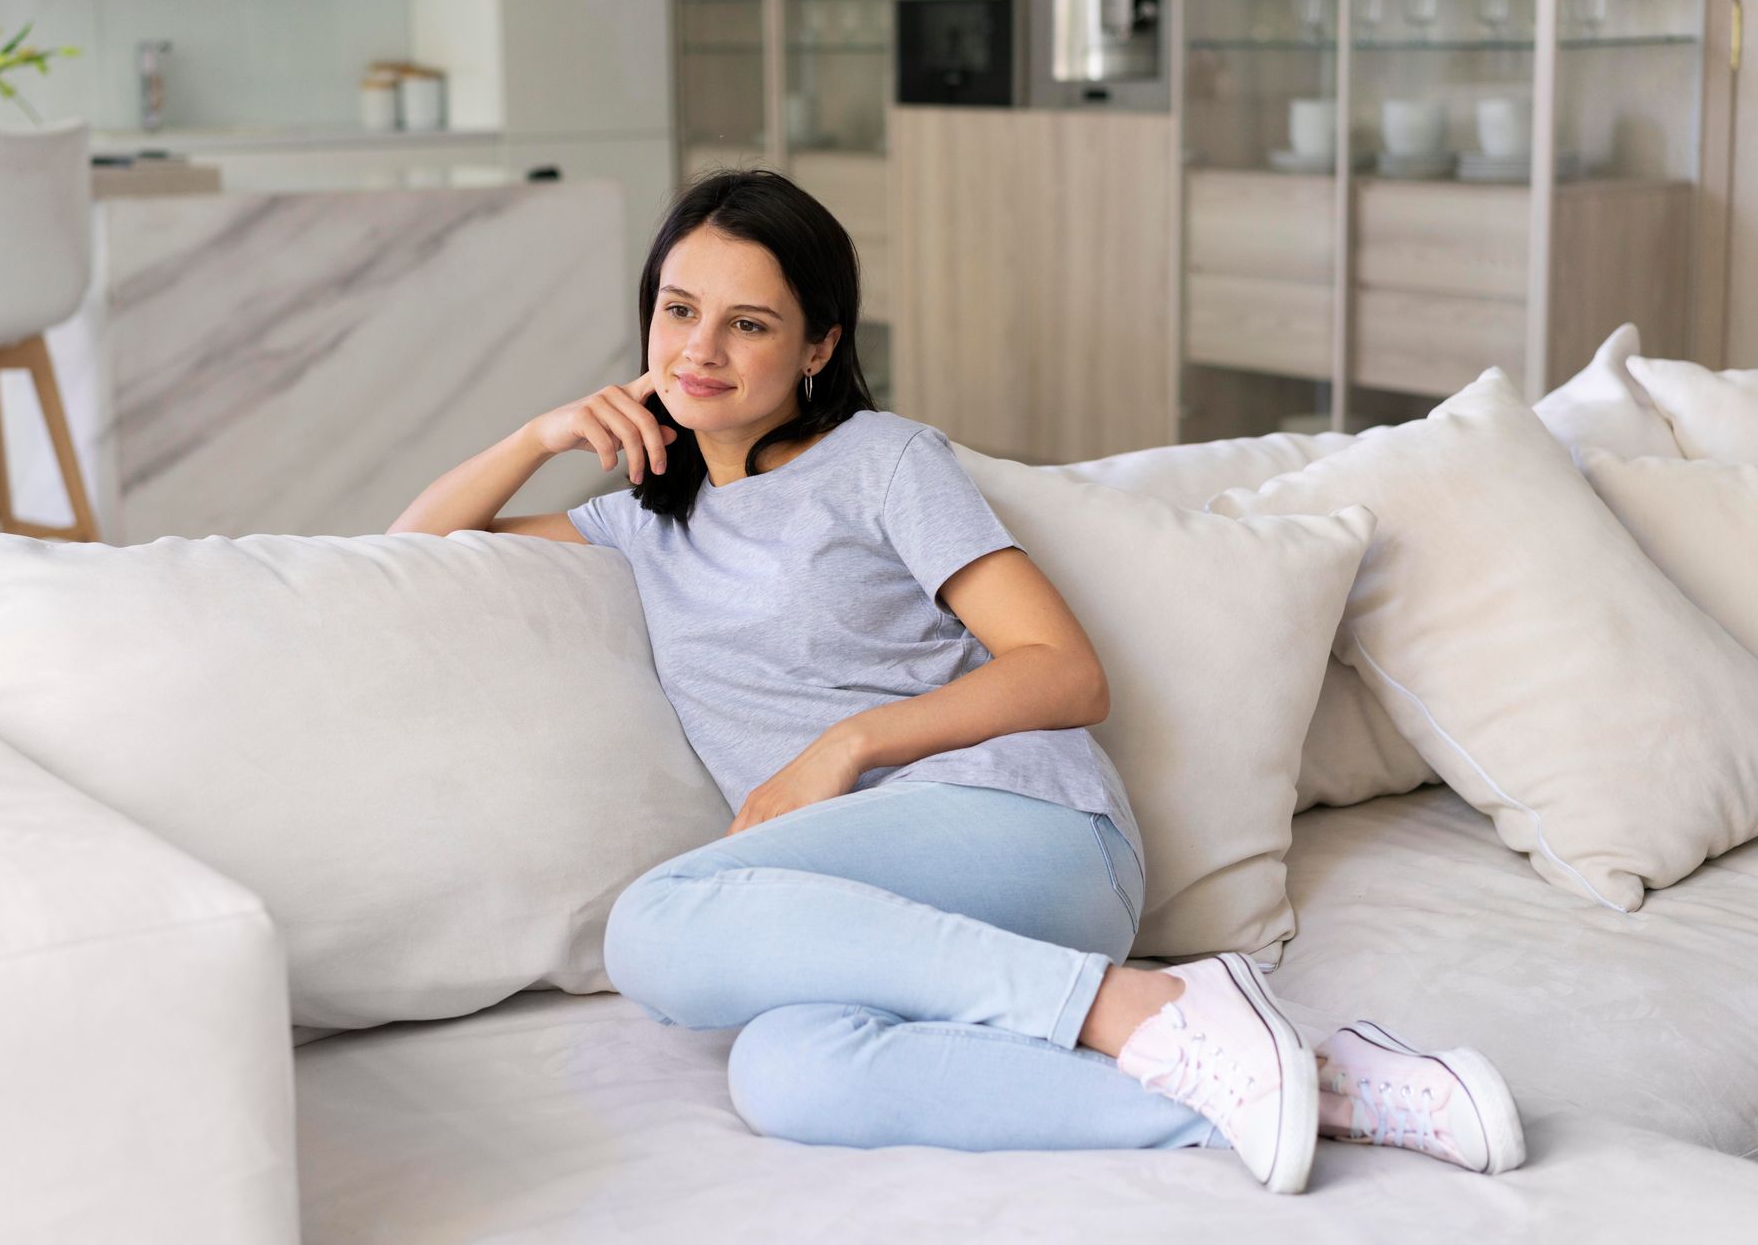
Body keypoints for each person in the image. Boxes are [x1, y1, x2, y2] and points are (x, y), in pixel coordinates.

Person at [387, 168, 1526, 1194]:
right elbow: (410, 546)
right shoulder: (640, 524)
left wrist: (847, 746)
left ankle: (1147, 1001)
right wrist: (539, 433)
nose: (702, 350)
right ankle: (1322, 1090)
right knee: (790, 1073)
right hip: (886, 893)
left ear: (820, 346)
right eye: (679, 310)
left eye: (749, 323)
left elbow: (1067, 673)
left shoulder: (882, 461)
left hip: (1029, 827)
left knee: (655, 924)